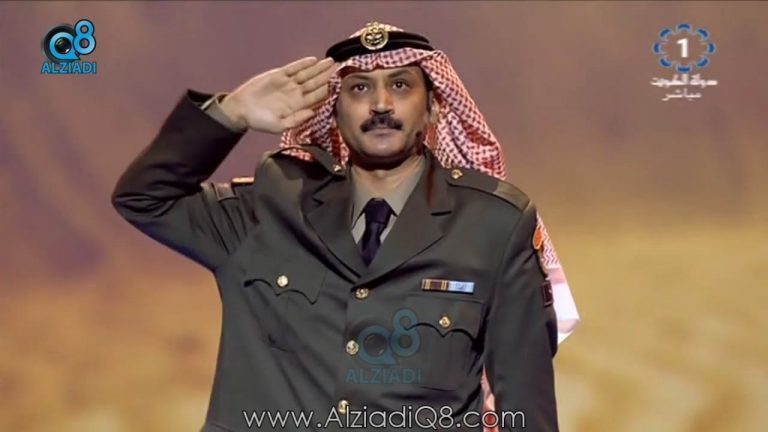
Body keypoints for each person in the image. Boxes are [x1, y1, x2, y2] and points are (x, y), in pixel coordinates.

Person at [112, 22, 579, 432]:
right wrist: (230, 114)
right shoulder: (272, 206)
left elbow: (525, 405)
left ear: (434, 107)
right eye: (358, 89)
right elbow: (144, 198)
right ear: (333, 113)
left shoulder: (493, 224)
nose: (380, 104)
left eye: (400, 85)